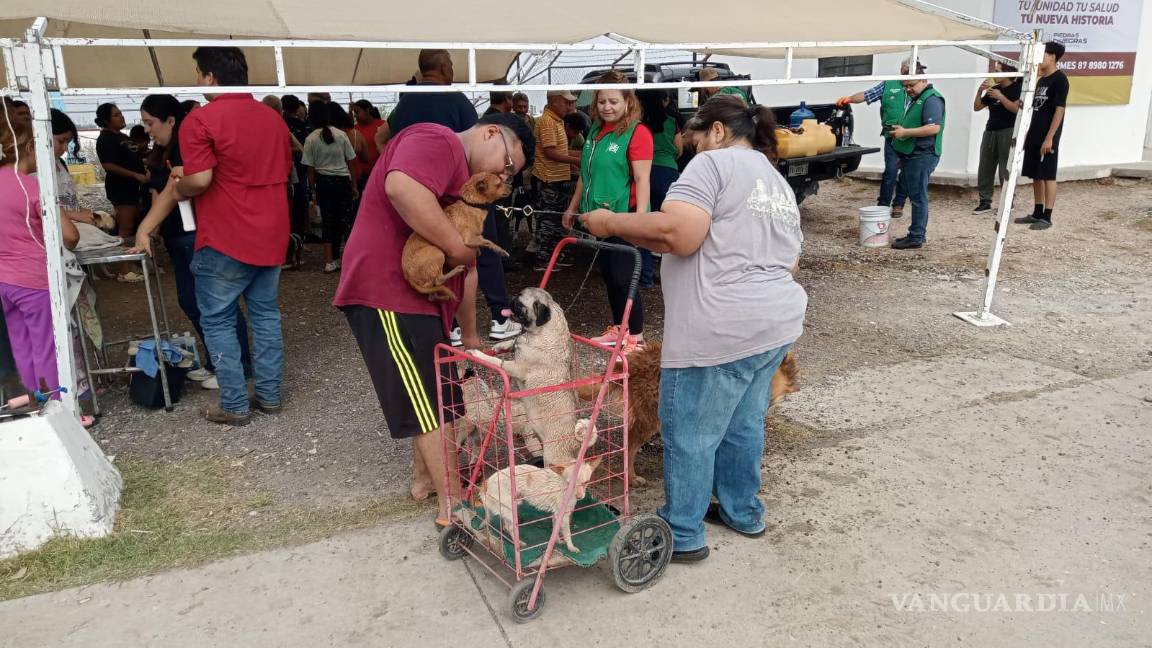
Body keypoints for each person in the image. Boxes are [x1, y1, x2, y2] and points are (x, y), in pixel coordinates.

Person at [579, 95, 805, 562]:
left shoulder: (712, 167)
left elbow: (676, 235)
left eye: (696, 141)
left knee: (690, 431)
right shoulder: (775, 181)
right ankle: (742, 510)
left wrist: (609, 222)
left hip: (720, 330)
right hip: (775, 323)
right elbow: (792, 260)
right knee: (743, 423)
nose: (692, 152)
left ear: (717, 132)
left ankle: (682, 532)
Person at [332, 113, 533, 526]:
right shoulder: (438, 139)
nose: (503, 175)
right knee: (427, 403)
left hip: (422, 299)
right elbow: (401, 188)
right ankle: (455, 505)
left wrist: (471, 333)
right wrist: (456, 249)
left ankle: (424, 481)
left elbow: (470, 266)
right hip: (387, 293)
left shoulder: (470, 188)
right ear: (492, 133)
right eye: (508, 164)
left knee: (437, 393)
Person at [175, 46, 293, 426]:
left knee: (219, 320)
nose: (198, 80)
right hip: (272, 232)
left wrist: (179, 185)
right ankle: (270, 395)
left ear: (209, 76)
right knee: (265, 315)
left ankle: (235, 404)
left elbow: (201, 179)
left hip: (224, 236)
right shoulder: (273, 119)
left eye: (198, 73)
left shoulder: (199, 121)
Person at [128, 94, 253, 391]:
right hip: (179, 235)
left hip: (196, 232)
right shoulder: (165, 149)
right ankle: (221, 362)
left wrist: (147, 227)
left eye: (150, 123)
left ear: (171, 120)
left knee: (212, 303)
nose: (147, 129)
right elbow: (164, 192)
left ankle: (234, 366)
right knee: (198, 301)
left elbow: (185, 187)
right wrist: (149, 230)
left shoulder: (188, 146)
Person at [563, 71, 652, 347]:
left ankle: (634, 334)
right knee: (611, 275)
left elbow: (642, 179)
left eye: (614, 101)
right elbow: (585, 176)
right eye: (602, 102)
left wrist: (639, 223)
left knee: (624, 277)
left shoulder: (637, 133)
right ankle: (620, 328)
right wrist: (572, 207)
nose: (607, 107)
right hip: (596, 219)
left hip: (623, 217)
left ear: (627, 101)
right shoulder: (594, 131)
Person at [0, 111, 81, 399]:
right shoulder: (34, 186)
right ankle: (58, 406)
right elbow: (70, 235)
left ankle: (33, 402)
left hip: (4, 280)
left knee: (21, 343)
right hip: (34, 278)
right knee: (47, 344)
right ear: (30, 146)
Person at [836, 59, 926, 219]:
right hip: (892, 135)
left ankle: (898, 204)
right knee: (890, 171)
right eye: (909, 71)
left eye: (916, 71)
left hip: (911, 137)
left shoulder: (922, 88)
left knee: (906, 172)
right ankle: (883, 205)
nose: (912, 75)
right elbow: (866, 95)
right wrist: (849, 99)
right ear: (902, 71)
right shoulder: (889, 85)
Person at [1016, 41, 1069, 231]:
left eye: (1043, 54)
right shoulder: (1042, 80)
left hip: (1048, 135)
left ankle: (1047, 215)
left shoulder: (1060, 79)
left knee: (1047, 174)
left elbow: (1059, 110)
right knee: (1035, 174)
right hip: (1035, 133)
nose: (1040, 59)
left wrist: (1050, 137)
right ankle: (1037, 211)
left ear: (1052, 56)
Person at [888, 75, 946, 250]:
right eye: (905, 86)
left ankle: (916, 237)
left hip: (923, 154)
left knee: (918, 197)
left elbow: (934, 127)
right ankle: (917, 233)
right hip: (913, 154)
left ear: (924, 81)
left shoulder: (932, 99)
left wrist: (905, 132)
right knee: (915, 195)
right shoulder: (919, 98)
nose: (908, 89)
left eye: (911, 85)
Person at [375, 49, 477, 149]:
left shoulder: (403, 104)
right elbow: (475, 143)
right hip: (446, 165)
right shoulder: (457, 100)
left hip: (409, 164)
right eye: (451, 65)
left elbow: (383, 139)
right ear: (444, 68)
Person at [302, 100, 359, 273]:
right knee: (345, 221)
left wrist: (312, 190)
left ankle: (329, 261)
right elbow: (351, 162)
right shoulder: (341, 135)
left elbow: (310, 169)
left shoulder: (310, 139)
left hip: (323, 182)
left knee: (328, 221)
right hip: (342, 182)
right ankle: (347, 258)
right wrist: (354, 185)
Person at [95, 102, 149, 282]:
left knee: (134, 224)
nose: (122, 116)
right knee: (124, 228)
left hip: (135, 188)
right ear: (106, 120)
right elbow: (108, 165)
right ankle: (124, 270)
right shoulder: (105, 139)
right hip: (121, 188)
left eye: (120, 113)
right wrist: (134, 174)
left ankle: (132, 262)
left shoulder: (120, 136)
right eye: (116, 115)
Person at [638, 89, 684, 288]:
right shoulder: (673, 121)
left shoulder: (638, 123)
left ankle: (645, 278)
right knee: (669, 229)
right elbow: (680, 150)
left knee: (644, 228)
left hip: (644, 175)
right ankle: (671, 278)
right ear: (663, 100)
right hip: (669, 176)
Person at [532, 90, 580, 269]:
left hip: (556, 177)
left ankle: (553, 257)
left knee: (556, 217)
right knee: (548, 219)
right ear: (553, 101)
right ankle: (542, 259)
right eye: (566, 102)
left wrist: (580, 155)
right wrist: (577, 160)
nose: (569, 106)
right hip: (548, 179)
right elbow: (550, 152)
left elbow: (560, 150)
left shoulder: (557, 121)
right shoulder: (547, 121)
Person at [972, 62, 1023, 214]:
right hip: (990, 131)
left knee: (1005, 167)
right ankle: (985, 201)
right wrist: (979, 92)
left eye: (997, 71)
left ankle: (1008, 201)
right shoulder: (993, 89)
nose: (994, 74)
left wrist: (1001, 97)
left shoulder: (1018, 88)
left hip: (1008, 131)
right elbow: (977, 107)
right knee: (985, 166)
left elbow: (1016, 109)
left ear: (1007, 73)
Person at [281, 95, 313, 242]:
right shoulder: (295, 124)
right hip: (298, 168)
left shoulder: (286, 123)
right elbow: (304, 147)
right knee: (299, 201)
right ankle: (299, 234)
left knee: (295, 201)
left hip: (293, 169)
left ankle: (297, 234)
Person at [351, 99, 386, 184]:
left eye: (357, 112)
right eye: (354, 113)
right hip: (363, 173)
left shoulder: (383, 125)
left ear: (367, 110)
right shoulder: (354, 130)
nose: (355, 115)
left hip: (380, 169)